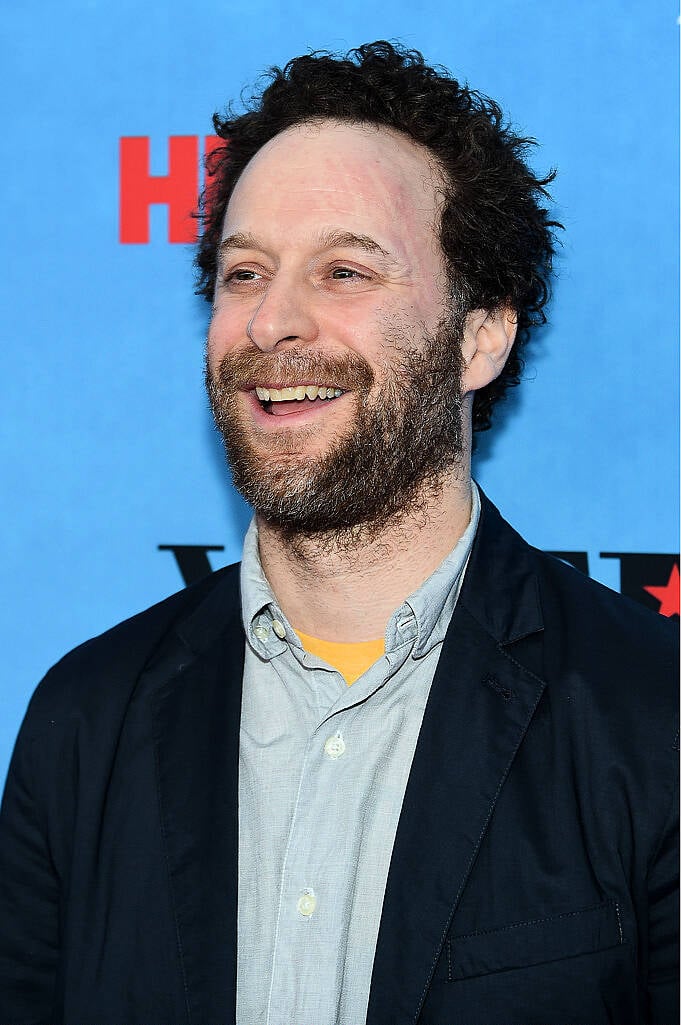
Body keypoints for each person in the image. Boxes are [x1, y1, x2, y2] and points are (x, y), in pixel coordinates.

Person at [0, 41, 677, 1025]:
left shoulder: (654, 719)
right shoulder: (84, 721)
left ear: (480, 334)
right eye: (244, 272)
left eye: (346, 269)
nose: (274, 320)